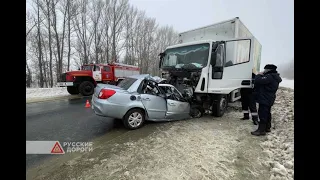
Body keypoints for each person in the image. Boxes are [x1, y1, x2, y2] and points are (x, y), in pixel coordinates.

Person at [251, 64, 282, 136]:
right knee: (267, 113)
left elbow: (258, 81)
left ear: (268, 70)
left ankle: (261, 130)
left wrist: (258, 74)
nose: (264, 71)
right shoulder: (274, 76)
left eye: (265, 69)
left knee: (263, 114)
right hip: (269, 98)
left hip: (265, 98)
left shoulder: (270, 77)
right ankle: (267, 127)